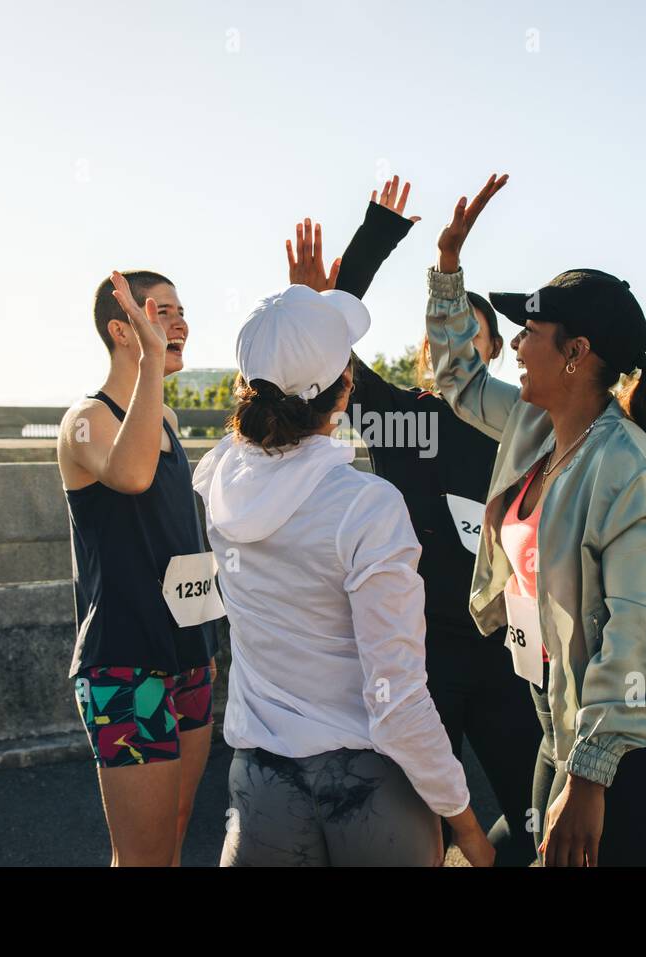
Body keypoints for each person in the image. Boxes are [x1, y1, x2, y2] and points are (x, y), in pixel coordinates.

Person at [425, 174, 646, 866]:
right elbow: (456, 376)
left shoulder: (630, 471)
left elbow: (632, 638)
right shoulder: (533, 424)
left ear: (576, 353)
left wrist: (590, 777)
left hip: (630, 749)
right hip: (561, 729)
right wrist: (448, 272)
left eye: (530, 334)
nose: (514, 346)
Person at [281, 176, 542, 866]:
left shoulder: (523, 427)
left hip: (511, 651)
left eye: (467, 334)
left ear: (486, 355)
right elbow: (329, 344)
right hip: (423, 662)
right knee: (411, 834)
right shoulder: (405, 422)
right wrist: (374, 236)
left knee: (539, 820)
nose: (446, 346)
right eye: (436, 337)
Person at [191, 281, 494, 867]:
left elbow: (246, 449)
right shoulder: (366, 505)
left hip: (259, 783)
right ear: (347, 386)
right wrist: (468, 827)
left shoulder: (215, 484)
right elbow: (398, 701)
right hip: (369, 787)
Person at [57, 270, 220, 867]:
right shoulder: (84, 419)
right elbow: (131, 476)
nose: (179, 322)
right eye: (161, 312)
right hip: (124, 664)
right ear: (121, 329)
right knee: (143, 854)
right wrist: (152, 365)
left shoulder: (170, 422)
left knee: (175, 830)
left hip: (189, 653)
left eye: (182, 310)